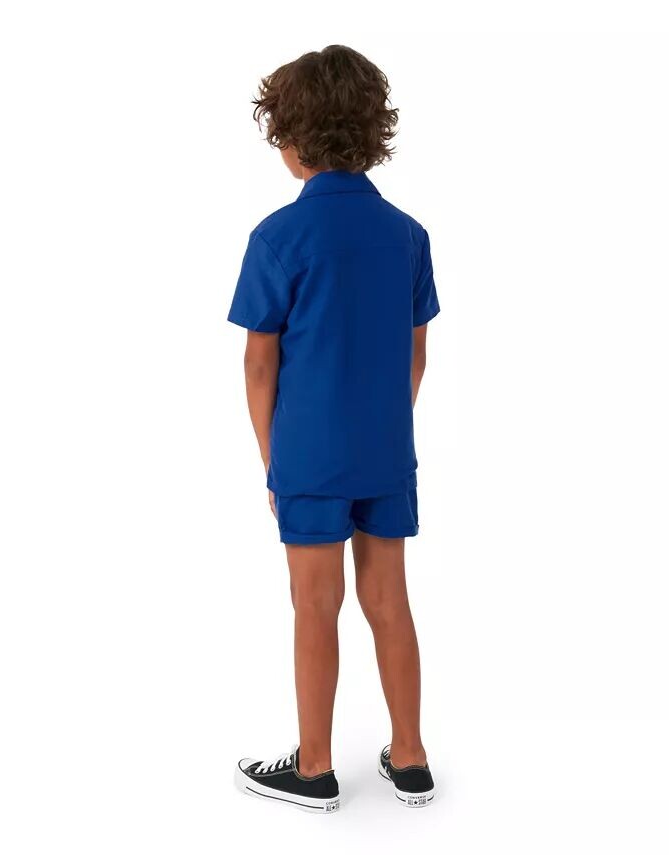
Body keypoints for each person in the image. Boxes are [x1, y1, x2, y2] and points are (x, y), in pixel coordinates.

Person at [229, 45, 440, 813]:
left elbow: (260, 365)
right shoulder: (408, 234)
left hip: (310, 455)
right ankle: (410, 758)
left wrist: (274, 460)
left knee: (315, 604)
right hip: (386, 448)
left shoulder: (278, 238)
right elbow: (416, 352)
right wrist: (382, 427)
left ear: (292, 137)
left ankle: (314, 768)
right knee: (390, 600)